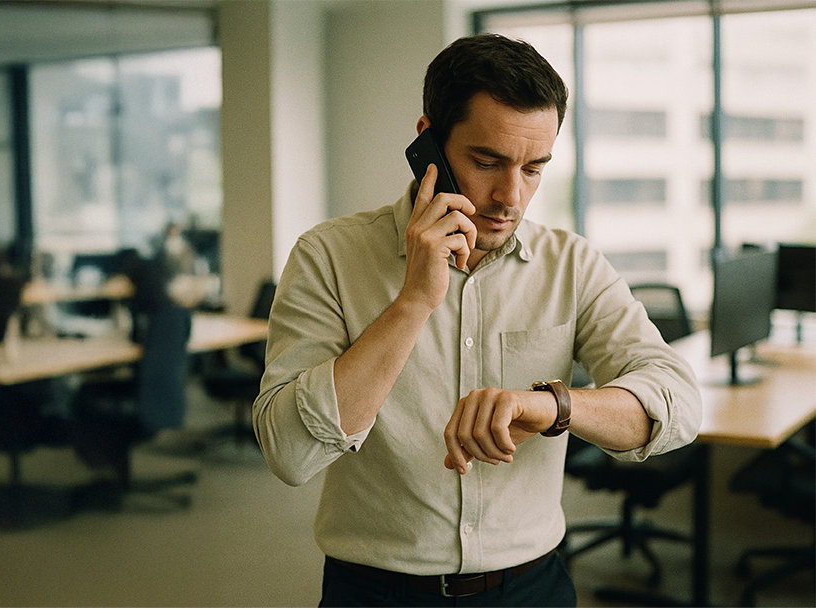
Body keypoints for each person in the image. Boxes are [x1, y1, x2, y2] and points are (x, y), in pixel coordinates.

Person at [252, 33, 702, 607]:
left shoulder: (571, 263)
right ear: (428, 143)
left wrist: (552, 405)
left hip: (532, 588)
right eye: (487, 162)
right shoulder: (328, 256)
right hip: (375, 591)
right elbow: (288, 454)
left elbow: (679, 405)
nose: (510, 197)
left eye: (535, 168)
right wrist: (413, 301)